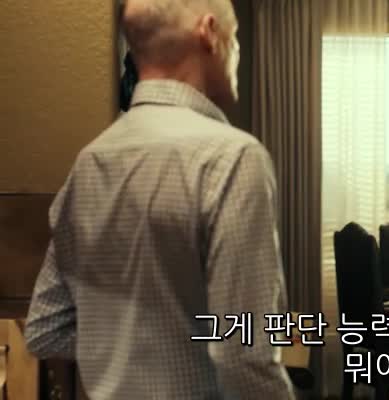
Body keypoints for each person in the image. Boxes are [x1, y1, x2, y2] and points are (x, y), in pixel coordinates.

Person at [24, 1, 294, 399]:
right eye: (235, 37)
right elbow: (243, 354)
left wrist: (132, 347)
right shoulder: (232, 158)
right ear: (209, 32)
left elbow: (44, 330)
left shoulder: (90, 162)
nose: (237, 50)